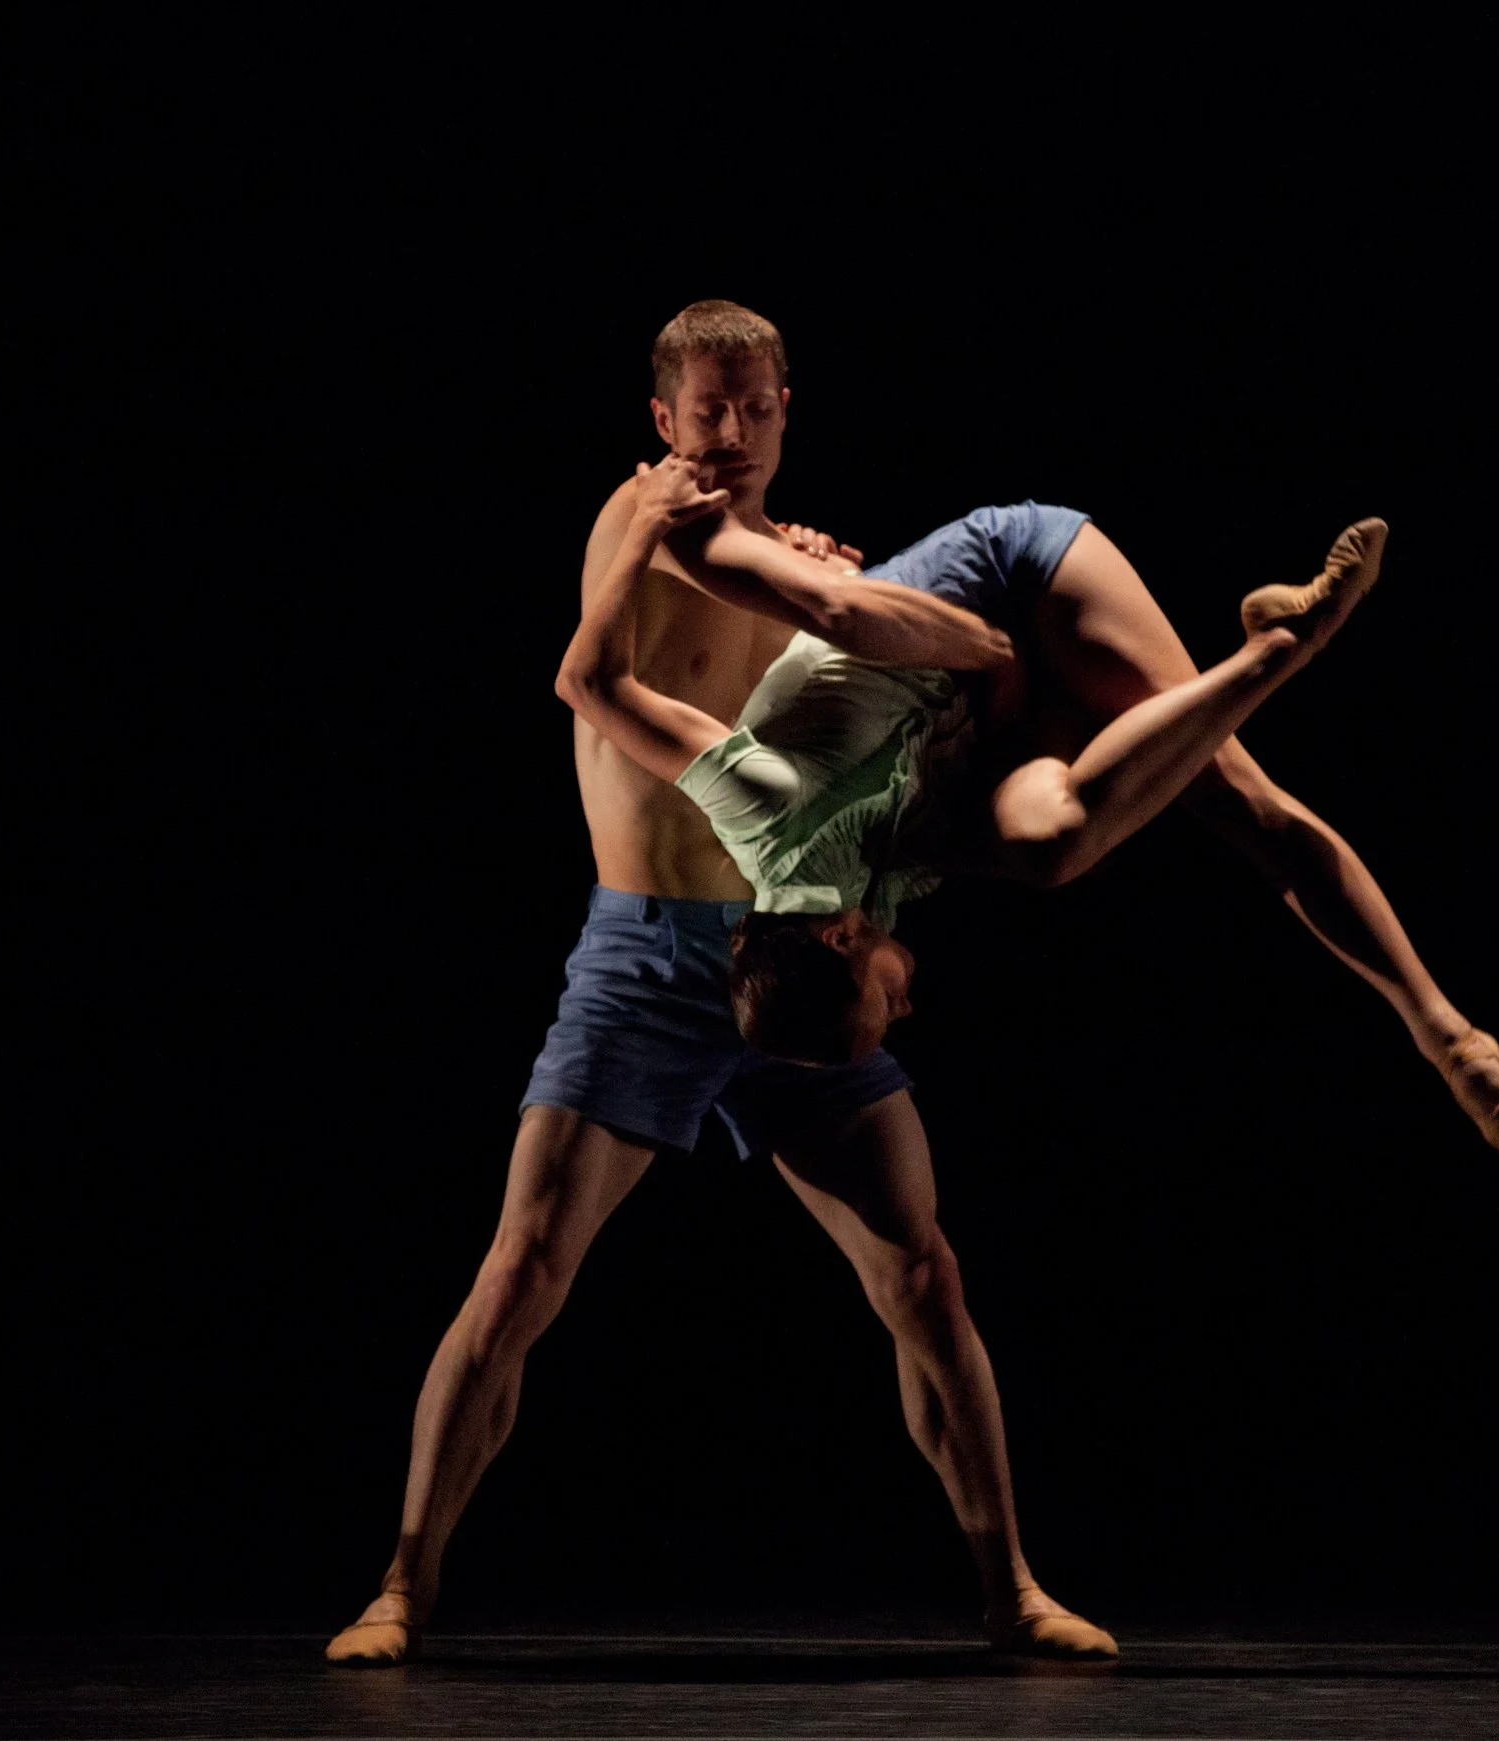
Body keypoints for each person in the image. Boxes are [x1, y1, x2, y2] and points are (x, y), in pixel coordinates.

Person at [328, 303, 1120, 1667]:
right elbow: (590, 677)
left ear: (786, 408)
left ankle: (1012, 1588)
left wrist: (872, 598)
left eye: (757, 408)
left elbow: (850, 703)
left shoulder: (790, 563)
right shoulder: (635, 525)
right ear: (664, 418)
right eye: (710, 411)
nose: (735, 434)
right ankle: (401, 1583)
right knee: (522, 1270)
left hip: (797, 957)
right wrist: (682, 544)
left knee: (923, 1274)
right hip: (645, 954)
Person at [556, 460, 1387, 1070]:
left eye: (886, 1006)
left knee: (1239, 801)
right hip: (974, 700)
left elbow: (589, 684)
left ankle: (1279, 652)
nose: (908, 1003)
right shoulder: (866, 895)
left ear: (841, 938)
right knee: (1050, 844)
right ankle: (1272, 649)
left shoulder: (761, 811)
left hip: (963, 603)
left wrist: (647, 526)